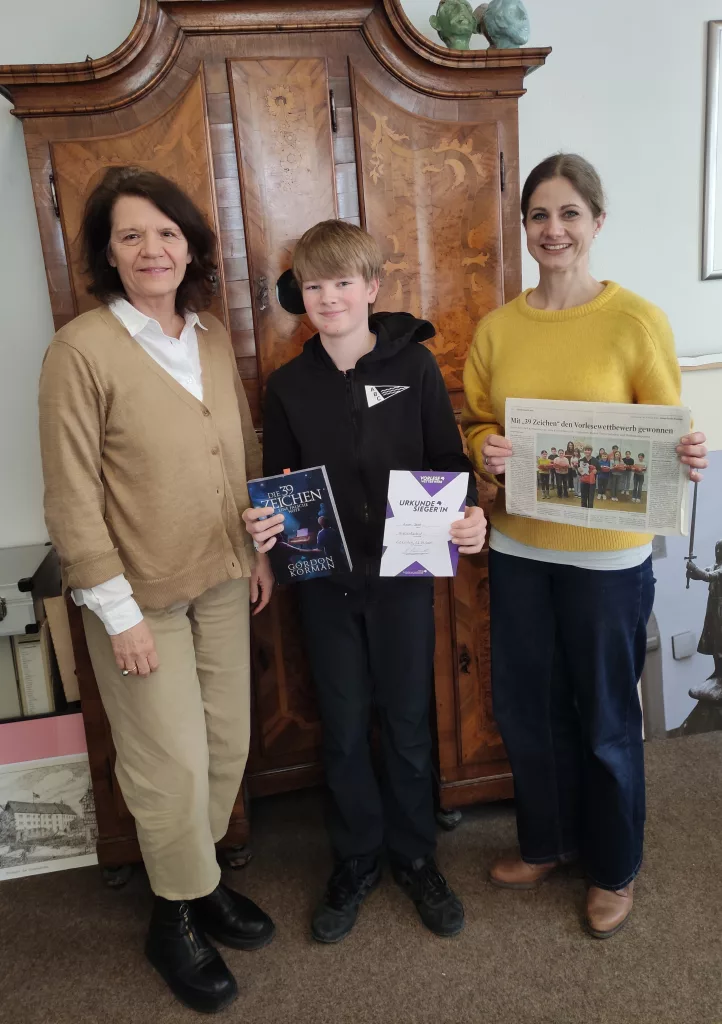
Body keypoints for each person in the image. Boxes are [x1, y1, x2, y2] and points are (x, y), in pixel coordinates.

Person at [38, 166, 275, 1013]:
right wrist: (119, 614)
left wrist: (258, 549)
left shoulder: (207, 336)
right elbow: (70, 495)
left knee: (226, 747)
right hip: (138, 601)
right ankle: (172, 916)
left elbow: (242, 448)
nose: (153, 249)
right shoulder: (80, 351)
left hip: (223, 578)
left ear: (190, 246)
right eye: (131, 235)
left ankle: (200, 882)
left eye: (167, 233)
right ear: (108, 252)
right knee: (168, 765)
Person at [461, 153, 707, 939]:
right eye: (539, 214)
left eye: (570, 213)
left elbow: (664, 427)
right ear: (524, 226)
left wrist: (687, 452)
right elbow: (475, 421)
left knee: (604, 716)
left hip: (607, 558)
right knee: (527, 708)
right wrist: (487, 446)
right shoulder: (498, 328)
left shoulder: (636, 320)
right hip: (519, 548)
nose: (553, 229)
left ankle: (613, 865)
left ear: (597, 222)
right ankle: (548, 842)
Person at [243, 219, 486, 944]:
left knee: (408, 725)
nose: (329, 298)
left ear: (372, 287)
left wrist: (468, 514)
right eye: (314, 285)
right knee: (345, 728)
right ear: (300, 294)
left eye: (343, 282)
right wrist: (266, 526)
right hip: (327, 587)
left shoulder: (414, 368)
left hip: (403, 581)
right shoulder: (288, 386)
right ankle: (355, 857)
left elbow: (449, 463)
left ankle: (415, 856)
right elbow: (279, 484)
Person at [686, 541, 722, 703]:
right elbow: (702, 574)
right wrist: (691, 572)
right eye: (717, 549)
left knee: (720, 641)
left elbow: (708, 576)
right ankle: (718, 672)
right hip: (713, 607)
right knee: (713, 641)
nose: (718, 552)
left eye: (720, 550)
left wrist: (694, 569)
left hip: (721, 608)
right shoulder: (715, 565)